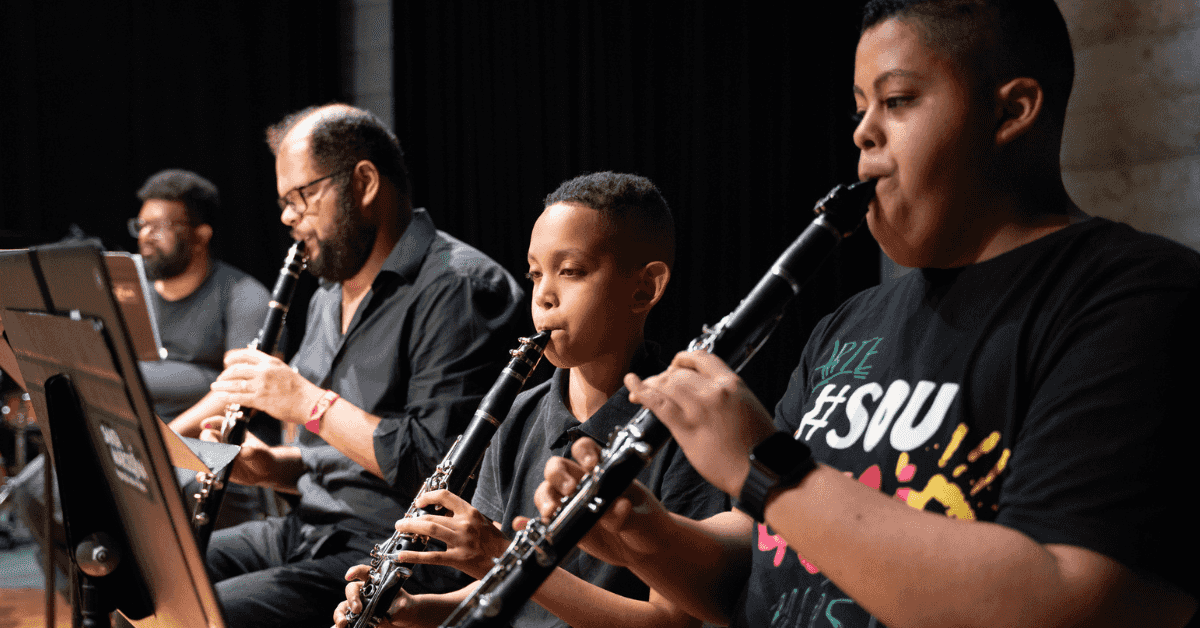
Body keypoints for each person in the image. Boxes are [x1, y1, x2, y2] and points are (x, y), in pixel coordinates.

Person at [534, 2, 1200, 627]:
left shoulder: (1135, 297)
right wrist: (649, 537)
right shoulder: (847, 325)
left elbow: (1070, 598)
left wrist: (764, 464)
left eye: (898, 101)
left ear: (1012, 112)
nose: (863, 131)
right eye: (859, 108)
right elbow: (758, 562)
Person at [169, 104, 524, 628]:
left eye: (301, 197)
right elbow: (335, 458)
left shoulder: (458, 288)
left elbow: (435, 465)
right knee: (156, 578)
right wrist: (274, 468)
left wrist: (304, 401)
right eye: (283, 202)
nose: (288, 217)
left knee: (208, 616)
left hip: (395, 554)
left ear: (363, 181)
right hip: (310, 529)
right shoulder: (325, 296)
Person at [334, 172, 727, 628]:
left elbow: (675, 621)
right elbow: (496, 587)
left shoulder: (684, 422)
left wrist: (502, 557)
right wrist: (413, 611)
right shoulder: (517, 415)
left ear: (645, 288)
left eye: (571, 271)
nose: (544, 294)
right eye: (536, 273)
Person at [132, 169, 270, 422]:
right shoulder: (132, 290)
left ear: (201, 235)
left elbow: (245, 389)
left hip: (199, 440)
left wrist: (169, 441)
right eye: (141, 226)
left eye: (158, 227)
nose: (145, 236)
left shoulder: (245, 297)